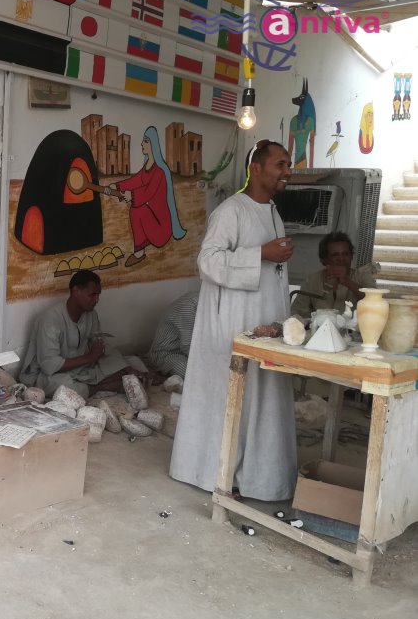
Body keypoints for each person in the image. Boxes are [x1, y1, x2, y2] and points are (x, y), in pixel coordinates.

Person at [170, 140, 297, 501]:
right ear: (256, 169)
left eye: (288, 164)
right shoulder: (231, 211)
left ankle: (261, 479)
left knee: (265, 399)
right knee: (230, 397)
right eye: (280, 164)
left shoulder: (272, 212)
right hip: (232, 324)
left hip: (265, 323)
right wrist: (261, 254)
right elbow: (207, 261)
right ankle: (214, 472)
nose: (287, 172)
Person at [20, 269, 147, 398]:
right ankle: (99, 387)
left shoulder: (91, 315)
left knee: (133, 362)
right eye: (92, 295)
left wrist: (126, 368)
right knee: (66, 386)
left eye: (98, 295)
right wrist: (90, 357)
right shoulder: (50, 320)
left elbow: (101, 346)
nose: (97, 300)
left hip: (80, 369)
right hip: (47, 375)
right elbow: (49, 365)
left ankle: (105, 383)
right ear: (76, 291)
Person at [110, 125, 186, 268]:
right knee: (137, 209)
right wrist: (117, 186)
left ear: (153, 144)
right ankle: (142, 247)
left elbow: (148, 192)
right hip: (153, 221)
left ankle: (139, 253)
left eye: (145, 141)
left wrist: (132, 195)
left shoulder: (159, 172)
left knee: (137, 209)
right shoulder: (147, 167)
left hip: (161, 228)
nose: (141, 144)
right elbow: (134, 181)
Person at [290, 232, 376, 317]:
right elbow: (296, 313)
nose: (341, 259)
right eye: (335, 255)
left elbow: (374, 304)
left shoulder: (362, 276)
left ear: (351, 256)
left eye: (345, 254)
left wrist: (347, 281)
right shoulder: (312, 280)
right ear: (324, 260)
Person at [148, 290, 199, 380]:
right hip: (167, 353)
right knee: (196, 375)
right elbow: (188, 345)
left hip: (191, 351)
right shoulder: (188, 306)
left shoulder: (213, 304)